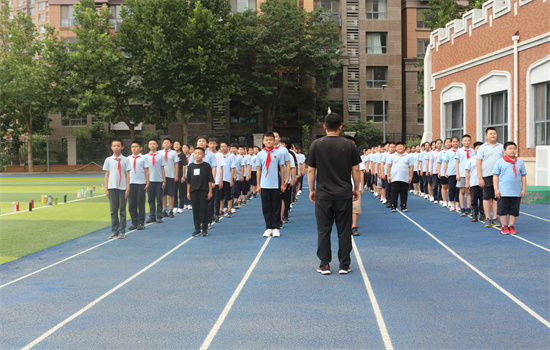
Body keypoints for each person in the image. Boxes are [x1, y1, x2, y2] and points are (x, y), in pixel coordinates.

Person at [307, 113, 361, 276]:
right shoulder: (349, 144)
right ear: (340, 127)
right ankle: (344, 264)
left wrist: (311, 189)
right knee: (344, 230)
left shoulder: (316, 144)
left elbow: (311, 170)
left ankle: (324, 264)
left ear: (324, 127)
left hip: (324, 194)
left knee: (324, 230)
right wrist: (356, 188)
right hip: (343, 194)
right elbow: (356, 169)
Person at [492, 142, 527, 235]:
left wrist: (523, 189)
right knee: (503, 209)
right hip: (503, 191)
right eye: (510, 148)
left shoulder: (520, 162)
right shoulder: (500, 162)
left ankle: (511, 225)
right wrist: (496, 189)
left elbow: (523, 176)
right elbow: (495, 176)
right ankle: (504, 226)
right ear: (505, 151)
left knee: (514, 210)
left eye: (514, 148)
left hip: (516, 191)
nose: (513, 150)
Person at [256, 132, 285, 238]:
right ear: (263, 141)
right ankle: (268, 227)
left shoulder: (278, 153)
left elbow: (281, 168)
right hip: (264, 184)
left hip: (275, 184)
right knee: (266, 207)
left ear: (274, 141)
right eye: (267, 140)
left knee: (276, 206)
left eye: (271, 140)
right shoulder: (260, 154)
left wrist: (282, 182)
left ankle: (276, 227)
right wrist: (258, 184)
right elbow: (258, 170)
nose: (269, 142)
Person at [103, 139, 131, 239]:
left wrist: (128, 188)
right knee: (113, 210)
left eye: (118, 146)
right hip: (112, 187)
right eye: (114, 146)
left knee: (122, 210)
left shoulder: (126, 160)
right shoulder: (108, 160)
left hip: (122, 188)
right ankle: (114, 231)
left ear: (122, 147)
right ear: (111, 147)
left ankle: (122, 231)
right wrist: (106, 189)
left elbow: (127, 174)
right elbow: (107, 174)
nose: (116, 147)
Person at [477, 127, 505, 228]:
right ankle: (488, 218)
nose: (492, 135)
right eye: (490, 133)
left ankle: (495, 218)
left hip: (499, 176)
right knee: (487, 197)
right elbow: (479, 163)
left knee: (497, 197)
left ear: (497, 135)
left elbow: (505, 161)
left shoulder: (501, 147)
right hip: (487, 176)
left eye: (494, 133)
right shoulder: (482, 148)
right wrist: (480, 178)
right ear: (486, 135)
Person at [187, 147, 214, 237]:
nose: (197, 155)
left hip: (204, 191)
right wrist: (188, 192)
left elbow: (209, 179)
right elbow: (189, 181)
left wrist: (210, 191)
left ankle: (204, 229)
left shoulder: (206, 166)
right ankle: (197, 229)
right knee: (196, 210)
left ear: (203, 155)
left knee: (204, 210)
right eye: (195, 153)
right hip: (193, 191)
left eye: (199, 153)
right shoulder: (191, 166)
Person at [127, 140, 149, 231]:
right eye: (132, 147)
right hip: (131, 183)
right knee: (132, 204)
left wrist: (147, 182)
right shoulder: (128, 158)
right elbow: (126, 172)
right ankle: (134, 222)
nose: (134, 148)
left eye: (136, 146)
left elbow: (146, 171)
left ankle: (141, 222)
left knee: (140, 203)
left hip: (141, 183)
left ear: (140, 148)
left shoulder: (143, 158)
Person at [387, 142, 414, 212]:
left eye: (401, 146)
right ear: (396, 148)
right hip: (394, 177)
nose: (400, 148)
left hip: (405, 178)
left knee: (404, 193)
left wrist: (411, 177)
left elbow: (411, 167)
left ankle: (403, 206)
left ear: (404, 147)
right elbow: (388, 166)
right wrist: (388, 176)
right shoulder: (392, 156)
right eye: (398, 147)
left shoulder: (408, 156)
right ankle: (393, 206)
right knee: (394, 193)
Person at [146, 139, 166, 223]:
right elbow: (145, 170)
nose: (152, 145)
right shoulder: (145, 156)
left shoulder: (161, 156)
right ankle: (152, 216)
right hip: (150, 181)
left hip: (159, 180)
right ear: (148, 146)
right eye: (150, 144)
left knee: (159, 199)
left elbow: (162, 168)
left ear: (157, 145)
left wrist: (164, 180)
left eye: (154, 144)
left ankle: (159, 216)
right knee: (150, 199)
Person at [465, 142, 485, 222]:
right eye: (477, 148)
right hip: (473, 183)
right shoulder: (470, 160)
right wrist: (467, 182)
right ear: (474, 149)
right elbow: (467, 172)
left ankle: (483, 215)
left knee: (483, 200)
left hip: (484, 183)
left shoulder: (485, 159)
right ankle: (474, 214)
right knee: (474, 200)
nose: (479, 150)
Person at [455, 134, 474, 216]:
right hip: (462, 174)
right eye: (465, 140)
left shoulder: (472, 151)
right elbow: (457, 163)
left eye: (468, 140)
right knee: (462, 191)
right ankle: (462, 208)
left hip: (471, 174)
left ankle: (468, 208)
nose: (467, 142)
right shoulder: (459, 151)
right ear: (462, 142)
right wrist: (457, 174)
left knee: (469, 191)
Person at [160, 138, 179, 218]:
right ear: (162, 144)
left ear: (171, 144)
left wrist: (176, 175)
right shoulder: (159, 153)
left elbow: (176, 164)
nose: (166, 144)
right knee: (163, 194)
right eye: (165, 143)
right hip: (161, 177)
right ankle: (164, 210)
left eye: (168, 143)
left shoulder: (174, 153)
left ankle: (171, 209)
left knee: (171, 194)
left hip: (171, 176)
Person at [219, 142, 236, 218]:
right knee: (220, 195)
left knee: (228, 195)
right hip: (220, 179)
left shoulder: (231, 156)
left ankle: (229, 209)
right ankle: (221, 209)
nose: (223, 148)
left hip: (228, 178)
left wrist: (231, 179)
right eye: (221, 146)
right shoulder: (219, 156)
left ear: (228, 147)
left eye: (224, 146)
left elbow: (233, 168)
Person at [443, 137, 460, 211]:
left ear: (459, 142)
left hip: (460, 173)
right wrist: (445, 172)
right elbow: (446, 163)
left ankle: (457, 204)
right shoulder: (448, 152)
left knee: (458, 189)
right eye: (453, 142)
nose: (455, 143)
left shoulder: (461, 151)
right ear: (451, 143)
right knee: (451, 189)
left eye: (456, 142)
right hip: (451, 173)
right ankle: (452, 204)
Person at [210, 138, 224, 223]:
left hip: (217, 180)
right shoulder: (206, 154)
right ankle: (210, 215)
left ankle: (216, 214)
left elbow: (221, 168)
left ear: (216, 144)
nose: (212, 145)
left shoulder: (219, 155)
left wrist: (221, 180)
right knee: (209, 200)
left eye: (213, 143)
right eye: (210, 143)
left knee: (216, 199)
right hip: (208, 181)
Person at [173, 141, 187, 214]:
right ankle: (175, 206)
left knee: (181, 192)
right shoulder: (172, 154)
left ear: (180, 146)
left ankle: (181, 207)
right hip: (173, 176)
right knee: (174, 192)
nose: (176, 146)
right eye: (175, 144)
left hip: (180, 175)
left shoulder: (182, 155)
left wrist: (183, 176)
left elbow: (184, 166)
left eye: (178, 144)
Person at [437, 138, 452, 207]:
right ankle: (444, 201)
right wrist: (439, 172)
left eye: (449, 142)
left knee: (450, 187)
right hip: (443, 172)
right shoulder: (441, 153)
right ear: (444, 144)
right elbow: (439, 163)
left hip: (452, 172)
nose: (448, 144)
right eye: (447, 142)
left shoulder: (453, 152)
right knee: (444, 187)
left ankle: (450, 201)